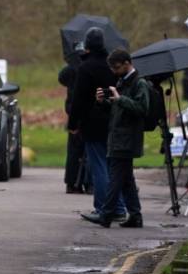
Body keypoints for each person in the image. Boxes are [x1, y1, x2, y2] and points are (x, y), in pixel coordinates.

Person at [81, 49, 149, 228]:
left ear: (127, 63)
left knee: (115, 178)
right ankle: (135, 215)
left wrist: (119, 99)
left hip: (127, 139)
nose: (114, 71)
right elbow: (117, 111)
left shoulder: (139, 83)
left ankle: (106, 214)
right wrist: (103, 102)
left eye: (116, 67)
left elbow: (142, 108)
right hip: (118, 137)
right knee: (126, 179)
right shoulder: (122, 82)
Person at [68, 28, 124, 220]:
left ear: (87, 46)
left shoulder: (85, 68)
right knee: (112, 167)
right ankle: (119, 206)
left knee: (98, 166)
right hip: (114, 121)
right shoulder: (111, 66)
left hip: (92, 123)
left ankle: (104, 208)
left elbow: (78, 99)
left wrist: (73, 123)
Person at [60, 48, 90, 194]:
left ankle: (72, 182)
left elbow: (62, 78)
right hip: (88, 112)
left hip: (73, 110)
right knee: (88, 149)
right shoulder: (92, 64)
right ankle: (87, 182)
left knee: (74, 150)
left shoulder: (74, 66)